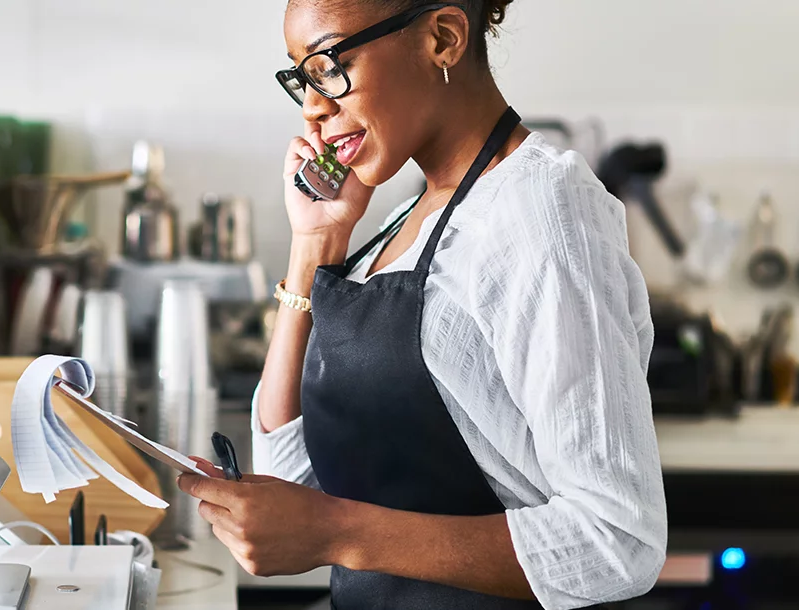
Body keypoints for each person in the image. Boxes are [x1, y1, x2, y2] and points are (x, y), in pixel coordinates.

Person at [177, 1, 667, 608]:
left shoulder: (542, 212)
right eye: (301, 76)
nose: (313, 105)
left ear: (443, 38)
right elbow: (290, 475)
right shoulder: (409, 215)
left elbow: (618, 541)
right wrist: (315, 243)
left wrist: (334, 533)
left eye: (329, 65)